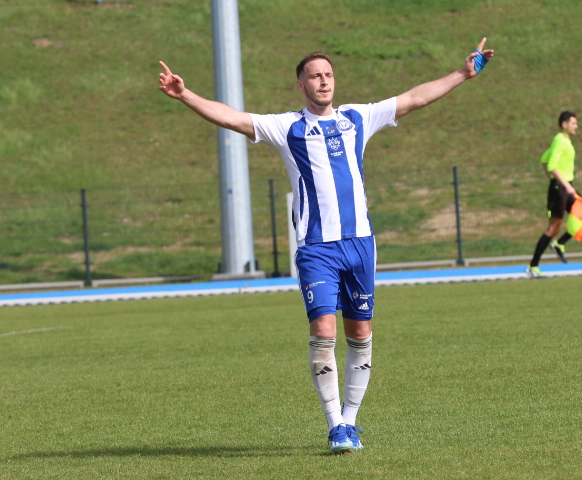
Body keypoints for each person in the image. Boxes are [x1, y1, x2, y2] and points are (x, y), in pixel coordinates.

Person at [158, 39, 494, 454]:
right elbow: (233, 118)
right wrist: (185, 95)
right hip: (317, 248)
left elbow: (413, 98)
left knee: (361, 333)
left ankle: (351, 421)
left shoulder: (357, 118)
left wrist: (463, 73)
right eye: (315, 76)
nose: (323, 81)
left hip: (360, 244)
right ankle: (335, 425)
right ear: (301, 86)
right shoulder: (287, 127)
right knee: (322, 330)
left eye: (328, 74)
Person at [526, 111, 580, 278]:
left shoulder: (565, 141)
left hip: (565, 186)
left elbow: (544, 159)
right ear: (564, 124)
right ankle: (533, 267)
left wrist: (563, 184)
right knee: (553, 229)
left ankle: (559, 244)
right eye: (573, 123)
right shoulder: (560, 141)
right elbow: (551, 165)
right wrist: (560, 184)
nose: (576, 126)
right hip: (561, 188)